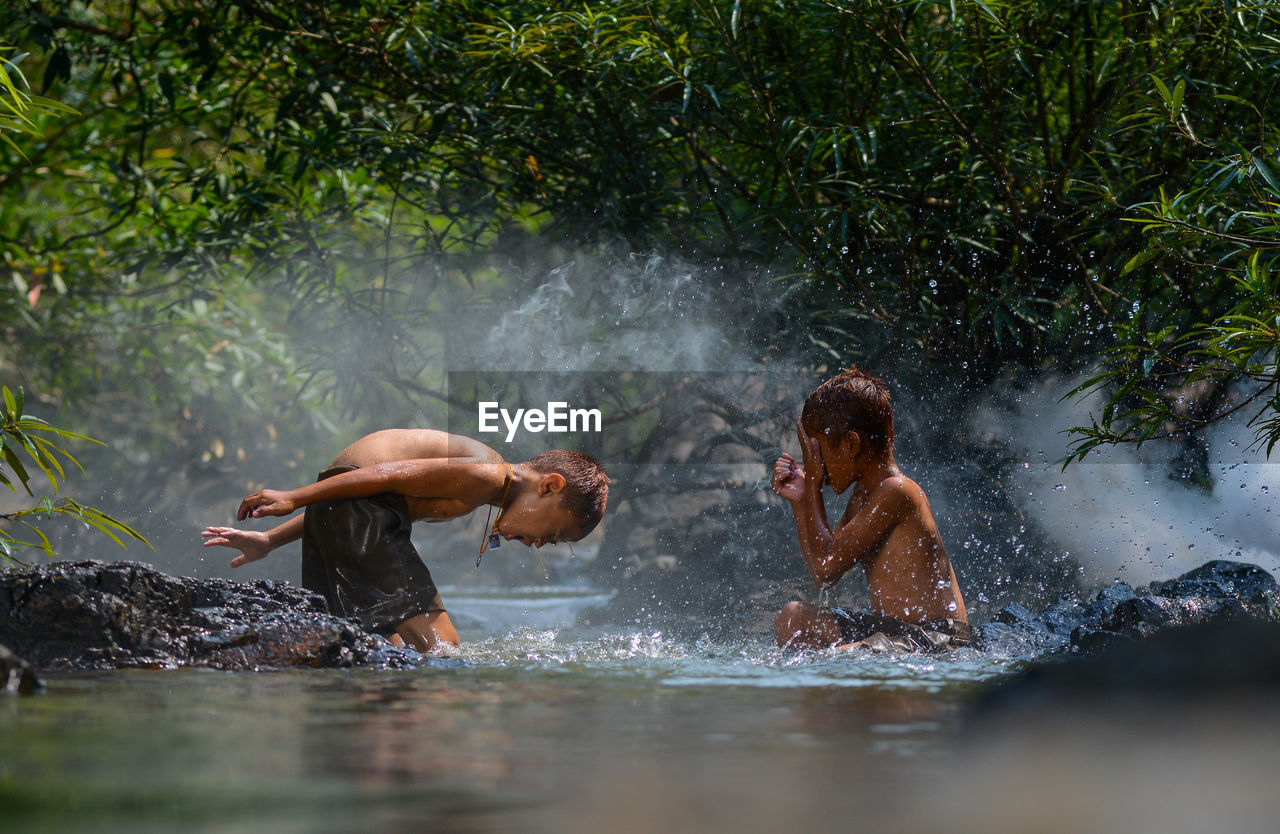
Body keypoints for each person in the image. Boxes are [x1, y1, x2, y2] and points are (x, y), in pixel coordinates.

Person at [202, 429, 608, 654]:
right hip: (362, 506)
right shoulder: (488, 473)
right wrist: (294, 496)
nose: (538, 544)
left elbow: (343, 508)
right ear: (550, 486)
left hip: (348, 512)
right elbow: (386, 476)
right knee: (442, 648)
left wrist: (270, 540)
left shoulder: (479, 487)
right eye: (552, 534)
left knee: (373, 647)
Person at [769, 368, 971, 652]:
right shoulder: (864, 495)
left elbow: (826, 567)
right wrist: (802, 500)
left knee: (841, 658)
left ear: (851, 443)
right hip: (896, 631)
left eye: (819, 454)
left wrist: (813, 484)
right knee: (794, 620)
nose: (819, 467)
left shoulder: (897, 491)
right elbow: (824, 572)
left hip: (939, 638)